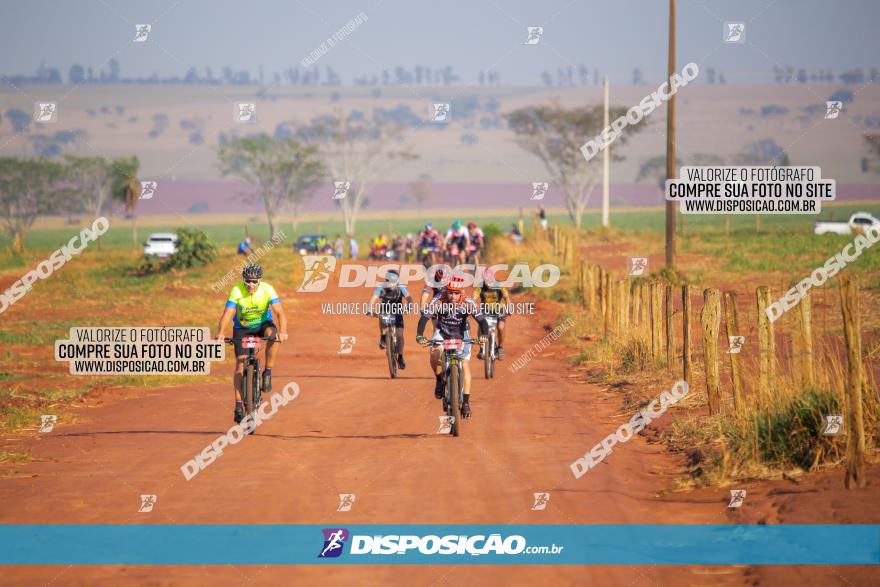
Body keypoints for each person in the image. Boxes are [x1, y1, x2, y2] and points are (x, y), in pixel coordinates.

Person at [215, 263, 289, 423]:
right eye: (248, 281)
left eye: (255, 281)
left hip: (263, 325)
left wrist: (283, 331)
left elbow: (279, 312)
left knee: (273, 336)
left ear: (260, 281)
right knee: (240, 366)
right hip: (242, 328)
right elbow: (227, 314)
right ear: (243, 280)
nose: (251, 285)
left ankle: (267, 372)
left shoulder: (268, 289)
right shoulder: (236, 290)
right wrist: (221, 333)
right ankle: (239, 405)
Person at [416, 275, 488, 418]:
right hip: (442, 332)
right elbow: (424, 318)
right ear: (446, 291)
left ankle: (466, 402)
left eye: (456, 293)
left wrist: (484, 335)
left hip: (462, 335)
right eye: (450, 292)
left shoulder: (468, 302)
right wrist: (420, 334)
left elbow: (482, 321)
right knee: (434, 354)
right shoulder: (438, 300)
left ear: (461, 292)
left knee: (465, 366)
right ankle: (440, 380)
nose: (453, 296)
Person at [369, 269, 413, 369]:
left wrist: (409, 306)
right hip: (385, 311)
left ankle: (400, 357)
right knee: (381, 318)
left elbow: (409, 298)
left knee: (400, 335)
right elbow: (373, 298)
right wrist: (369, 309)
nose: (391, 284)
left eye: (394, 282)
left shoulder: (401, 287)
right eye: (389, 282)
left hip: (397, 312)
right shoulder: (381, 287)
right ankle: (383, 337)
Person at [473, 267, 510, 360]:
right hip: (485, 310)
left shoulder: (500, 285)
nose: (488, 284)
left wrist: (509, 308)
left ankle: (500, 347)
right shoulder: (480, 286)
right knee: (481, 325)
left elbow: (507, 298)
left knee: (500, 327)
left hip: (499, 309)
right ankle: (482, 348)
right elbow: (473, 298)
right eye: (486, 281)